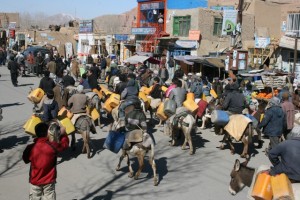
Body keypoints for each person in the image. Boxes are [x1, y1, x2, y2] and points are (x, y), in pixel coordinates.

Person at [22, 122, 69, 200]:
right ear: (48, 132)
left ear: (36, 134)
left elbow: (25, 159)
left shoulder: (31, 147)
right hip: (49, 180)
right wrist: (64, 135)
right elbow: (65, 145)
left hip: (35, 180)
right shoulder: (53, 146)